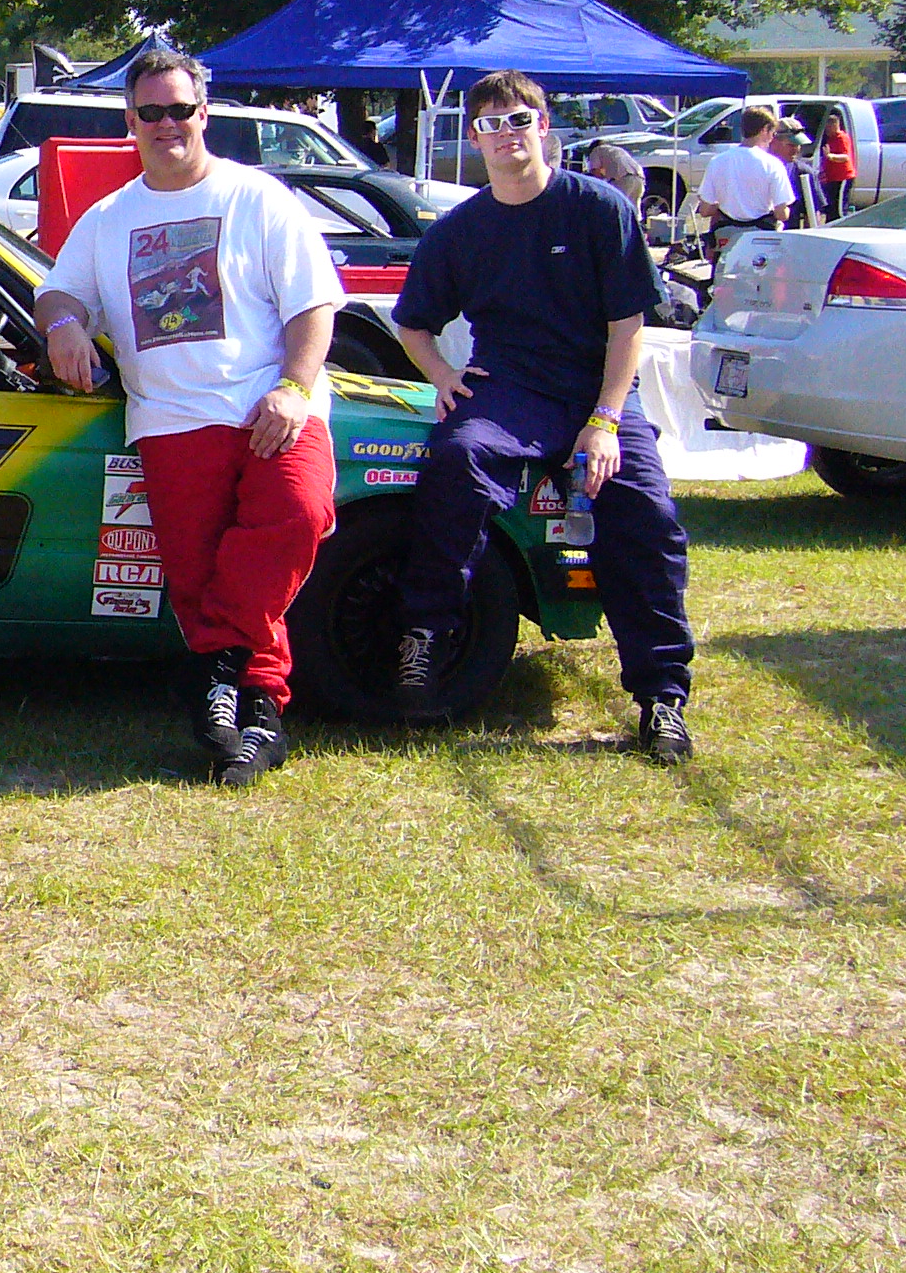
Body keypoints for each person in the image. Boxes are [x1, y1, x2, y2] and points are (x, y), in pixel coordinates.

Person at [37, 47, 345, 788]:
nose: (167, 124)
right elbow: (57, 293)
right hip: (171, 421)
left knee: (300, 515)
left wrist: (293, 388)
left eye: (180, 110)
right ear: (130, 120)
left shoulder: (258, 198)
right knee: (199, 579)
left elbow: (314, 306)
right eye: (152, 112)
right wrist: (65, 326)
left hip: (272, 405)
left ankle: (215, 670)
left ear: (204, 114)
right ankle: (259, 717)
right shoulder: (110, 218)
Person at [391, 71, 696, 763]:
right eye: (490, 124)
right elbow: (413, 324)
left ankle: (662, 698)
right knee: (455, 462)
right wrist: (442, 376)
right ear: (474, 138)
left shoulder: (599, 208)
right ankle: (425, 645)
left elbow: (628, 326)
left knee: (646, 513)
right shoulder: (459, 230)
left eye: (519, 120)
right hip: (508, 391)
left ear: (544, 127)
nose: (506, 135)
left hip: (597, 391)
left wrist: (606, 421)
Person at [694, 106, 794, 269]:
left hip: (727, 241)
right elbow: (781, 214)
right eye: (772, 132)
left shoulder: (717, 161)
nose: (772, 137)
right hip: (761, 243)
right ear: (764, 130)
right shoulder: (773, 164)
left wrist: (725, 203)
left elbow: (705, 210)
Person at [582, 139, 645, 213]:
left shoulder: (596, 150)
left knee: (617, 205)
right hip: (639, 177)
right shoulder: (618, 150)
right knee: (634, 208)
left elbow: (596, 171)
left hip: (622, 178)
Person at [820, 110, 858, 220]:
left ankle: (842, 224)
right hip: (832, 178)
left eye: (829, 127)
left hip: (843, 177)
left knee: (840, 208)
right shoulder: (830, 139)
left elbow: (845, 157)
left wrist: (830, 156)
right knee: (831, 207)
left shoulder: (842, 138)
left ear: (835, 125)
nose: (827, 130)